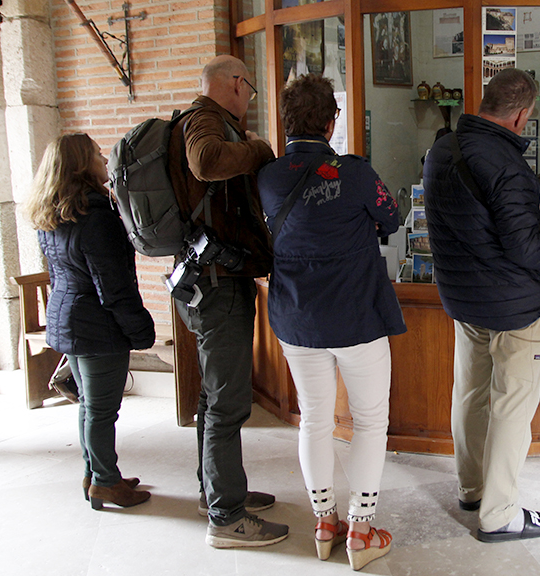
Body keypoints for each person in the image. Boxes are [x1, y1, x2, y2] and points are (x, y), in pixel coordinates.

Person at [423, 68, 540, 543]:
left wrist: (538, 220)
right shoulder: (508, 162)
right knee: (513, 405)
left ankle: (472, 489)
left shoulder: (442, 149)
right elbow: (523, 247)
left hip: (464, 296)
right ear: (521, 115)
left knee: (470, 394)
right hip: (513, 304)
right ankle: (499, 514)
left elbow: (483, 216)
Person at [257, 74, 405, 571]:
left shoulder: (268, 177)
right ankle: (361, 530)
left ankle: (325, 523)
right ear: (331, 121)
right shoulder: (355, 173)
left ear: (286, 121)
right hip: (357, 315)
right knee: (370, 421)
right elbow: (393, 217)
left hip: (296, 317)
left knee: (314, 418)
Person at [168, 55, 287, 549]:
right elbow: (206, 162)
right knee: (227, 404)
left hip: (206, 281)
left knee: (212, 397)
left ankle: (213, 492)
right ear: (236, 83)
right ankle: (227, 516)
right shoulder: (204, 120)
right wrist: (258, 150)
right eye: (250, 89)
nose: (249, 99)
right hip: (218, 287)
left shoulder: (200, 121)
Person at [25, 133, 155, 510]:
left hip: (68, 321)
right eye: (98, 155)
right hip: (98, 328)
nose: (104, 160)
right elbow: (113, 286)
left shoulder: (51, 214)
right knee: (101, 411)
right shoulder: (96, 217)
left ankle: (95, 473)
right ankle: (106, 483)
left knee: (88, 406)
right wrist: (140, 329)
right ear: (83, 165)